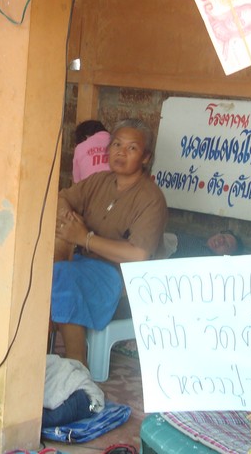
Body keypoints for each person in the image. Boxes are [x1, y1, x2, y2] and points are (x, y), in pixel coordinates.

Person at [52, 118, 168, 365]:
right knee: (44, 267)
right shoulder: (99, 181)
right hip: (84, 265)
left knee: (62, 274)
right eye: (116, 144)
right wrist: (68, 218)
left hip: (121, 279)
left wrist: (84, 238)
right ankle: (36, 353)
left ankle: (77, 363)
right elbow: (62, 198)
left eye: (131, 148)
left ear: (146, 158)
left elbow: (138, 255)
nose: (121, 152)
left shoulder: (151, 198)